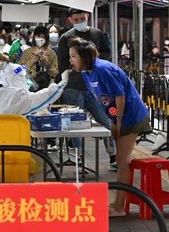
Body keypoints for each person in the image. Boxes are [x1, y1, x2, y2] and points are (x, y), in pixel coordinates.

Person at [68, 38, 151, 217]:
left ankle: (120, 207)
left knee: (121, 162)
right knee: (121, 161)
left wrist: (118, 121)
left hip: (132, 115)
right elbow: (102, 98)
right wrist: (112, 120)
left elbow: (119, 95)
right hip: (118, 116)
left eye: (74, 56)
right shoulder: (87, 72)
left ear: (84, 57)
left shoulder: (104, 69)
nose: (71, 60)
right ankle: (117, 203)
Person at [56, 8, 116, 167]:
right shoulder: (65, 38)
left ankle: (113, 156)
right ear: (70, 20)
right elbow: (62, 64)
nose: (79, 21)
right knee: (75, 124)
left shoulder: (97, 34)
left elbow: (107, 54)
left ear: (87, 16)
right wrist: (61, 87)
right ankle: (79, 157)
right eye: (76, 19)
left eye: (82, 18)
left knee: (105, 120)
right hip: (73, 87)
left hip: (95, 86)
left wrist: (93, 62)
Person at [0, 63, 67, 119]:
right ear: (18, 78)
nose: (27, 81)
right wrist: (61, 84)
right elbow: (41, 98)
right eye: (25, 77)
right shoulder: (19, 95)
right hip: (12, 142)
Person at [20, 26, 59, 90]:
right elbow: (19, 70)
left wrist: (47, 62)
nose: (40, 39)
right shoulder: (27, 53)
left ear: (46, 38)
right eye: (38, 36)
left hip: (47, 88)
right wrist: (32, 61)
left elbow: (55, 73)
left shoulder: (51, 53)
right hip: (29, 86)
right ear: (34, 37)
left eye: (43, 37)